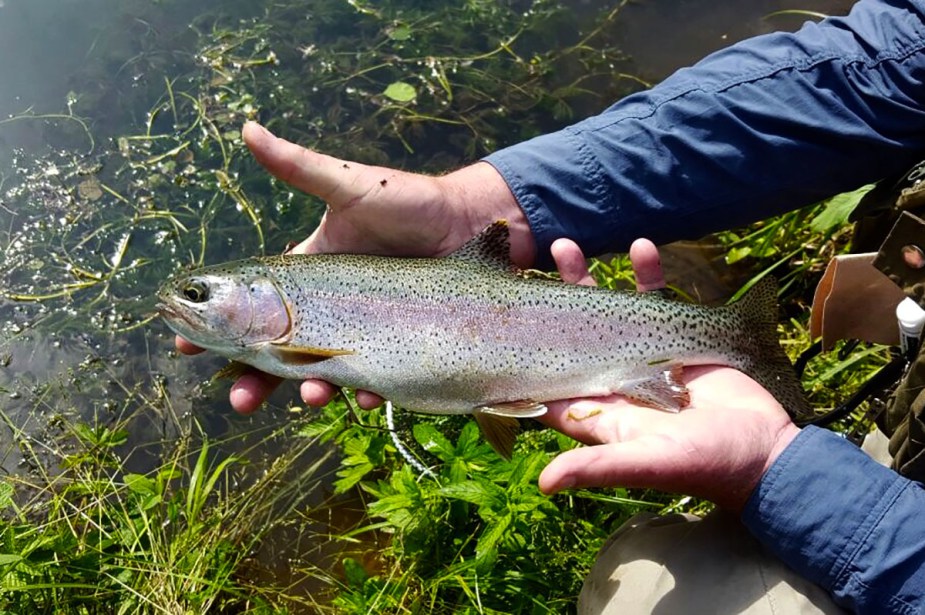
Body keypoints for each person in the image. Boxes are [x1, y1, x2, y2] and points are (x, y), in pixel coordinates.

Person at [176, 0, 925, 611]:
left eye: (199, 295)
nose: (187, 305)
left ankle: (738, 352)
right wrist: (479, 204)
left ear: (266, 299)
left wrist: (776, 470)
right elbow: (878, 63)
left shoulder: (292, 337)